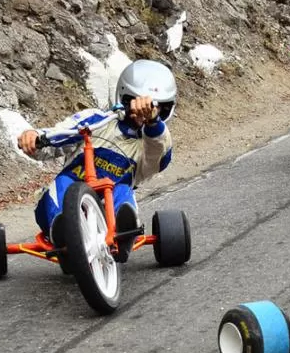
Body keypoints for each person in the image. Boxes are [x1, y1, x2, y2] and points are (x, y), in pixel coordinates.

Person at [17, 59, 177, 261]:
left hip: (109, 206)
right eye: (137, 103)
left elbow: (158, 158)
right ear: (124, 97)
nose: (143, 113)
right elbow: (58, 136)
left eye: (155, 108)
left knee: (122, 190)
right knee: (62, 183)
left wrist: (153, 122)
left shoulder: (152, 142)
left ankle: (122, 231)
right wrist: (34, 138)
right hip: (70, 202)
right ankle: (63, 230)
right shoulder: (96, 120)